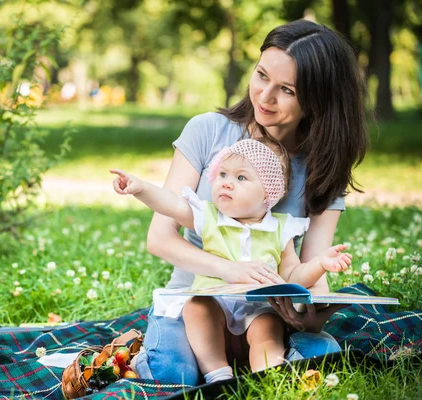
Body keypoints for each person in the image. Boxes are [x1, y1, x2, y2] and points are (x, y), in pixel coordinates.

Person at [129, 19, 368, 385]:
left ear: (318, 99)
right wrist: (230, 273)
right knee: (173, 377)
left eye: (286, 89)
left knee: (323, 359)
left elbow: (310, 274)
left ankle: (258, 359)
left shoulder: (323, 166)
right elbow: (160, 238)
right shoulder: (208, 130)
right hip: (196, 303)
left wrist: (310, 315)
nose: (265, 96)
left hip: (266, 314)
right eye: (261, 76)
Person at [111, 138, 352, 382]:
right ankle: (218, 373)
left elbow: (292, 275)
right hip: (214, 302)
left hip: (257, 308)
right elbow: (171, 204)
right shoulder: (209, 216)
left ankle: (267, 376)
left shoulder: (280, 228)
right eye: (223, 174)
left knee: (268, 326)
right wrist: (141, 189)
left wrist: (320, 264)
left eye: (241, 178)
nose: (226, 183)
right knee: (196, 308)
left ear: (269, 192)